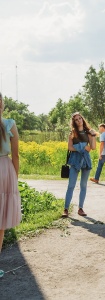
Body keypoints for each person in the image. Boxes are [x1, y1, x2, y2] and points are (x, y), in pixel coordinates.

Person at [0, 92, 22, 277]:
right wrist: (15, 177)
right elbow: (15, 155)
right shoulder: (9, 124)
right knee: (0, 221)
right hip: (4, 169)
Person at [61, 112, 96, 218]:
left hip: (85, 159)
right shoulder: (72, 133)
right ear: (74, 122)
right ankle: (66, 209)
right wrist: (81, 147)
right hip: (75, 160)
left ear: (82, 119)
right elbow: (70, 148)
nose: (79, 120)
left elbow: (93, 147)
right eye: (76, 119)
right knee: (71, 185)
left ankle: (80, 208)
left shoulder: (88, 132)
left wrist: (93, 135)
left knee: (83, 185)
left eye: (80, 118)